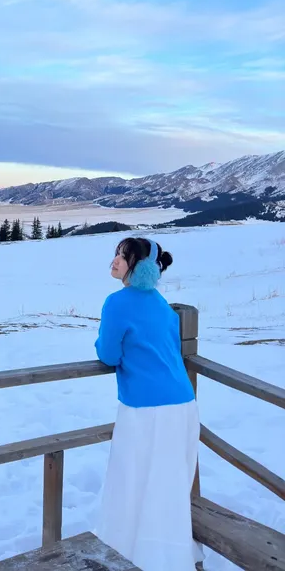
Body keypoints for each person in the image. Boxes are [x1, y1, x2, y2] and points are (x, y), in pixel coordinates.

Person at [94, 236, 203, 571]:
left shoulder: (117, 303)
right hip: (183, 405)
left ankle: (133, 555)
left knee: (133, 480)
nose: (115, 260)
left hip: (146, 409)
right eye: (116, 253)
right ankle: (166, 557)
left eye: (124, 256)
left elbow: (108, 354)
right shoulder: (161, 303)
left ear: (139, 267)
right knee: (167, 486)